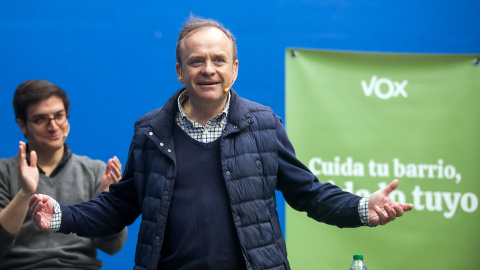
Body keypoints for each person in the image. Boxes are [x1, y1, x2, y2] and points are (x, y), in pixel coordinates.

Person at [28, 16, 413, 270]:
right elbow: (120, 205)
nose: (208, 69)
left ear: (234, 69)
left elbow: (307, 194)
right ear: (180, 71)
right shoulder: (149, 132)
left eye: (218, 60)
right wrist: (62, 214)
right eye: (196, 61)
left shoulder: (262, 124)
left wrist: (362, 207)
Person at [0, 79, 128, 269]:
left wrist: (109, 202)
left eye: (59, 115)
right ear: (22, 125)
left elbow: (112, 246)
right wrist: (25, 192)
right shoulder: (4, 172)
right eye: (40, 119)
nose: (53, 127)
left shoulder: (95, 172)